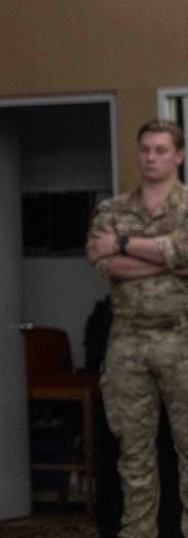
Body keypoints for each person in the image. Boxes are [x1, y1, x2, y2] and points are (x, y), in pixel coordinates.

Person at [86, 119, 188, 538]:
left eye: (161, 149)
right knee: (133, 454)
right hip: (127, 341)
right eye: (145, 149)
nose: (151, 157)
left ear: (178, 155)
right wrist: (169, 263)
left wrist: (125, 245)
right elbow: (102, 261)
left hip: (181, 337)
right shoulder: (112, 210)